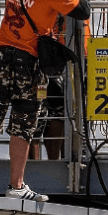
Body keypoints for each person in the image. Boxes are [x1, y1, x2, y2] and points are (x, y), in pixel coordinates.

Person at [0, 0, 89, 201]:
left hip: (2, 53)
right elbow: (83, 11)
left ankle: (18, 185)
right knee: (23, 123)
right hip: (27, 61)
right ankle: (17, 185)